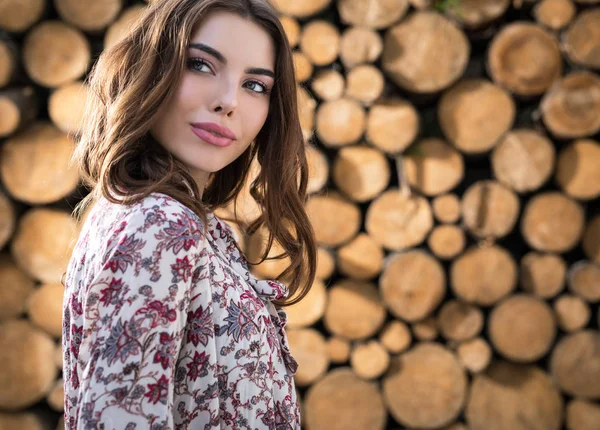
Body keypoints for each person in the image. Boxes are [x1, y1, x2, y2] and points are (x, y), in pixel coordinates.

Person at [61, 0, 317, 428]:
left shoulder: (188, 223)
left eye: (256, 85)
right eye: (201, 64)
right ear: (153, 68)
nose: (229, 101)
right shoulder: (158, 224)